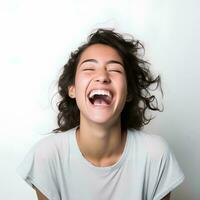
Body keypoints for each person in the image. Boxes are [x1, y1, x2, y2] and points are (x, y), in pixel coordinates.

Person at [17, 28, 184, 200]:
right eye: (89, 68)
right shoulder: (47, 156)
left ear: (129, 93)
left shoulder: (156, 155)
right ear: (72, 89)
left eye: (115, 69)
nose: (102, 76)